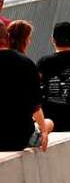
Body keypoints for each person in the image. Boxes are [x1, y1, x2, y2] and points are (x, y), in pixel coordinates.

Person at [0, 22, 53, 152]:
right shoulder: (26, 63)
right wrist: (44, 132)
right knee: (49, 123)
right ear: (6, 37)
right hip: (20, 139)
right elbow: (35, 106)